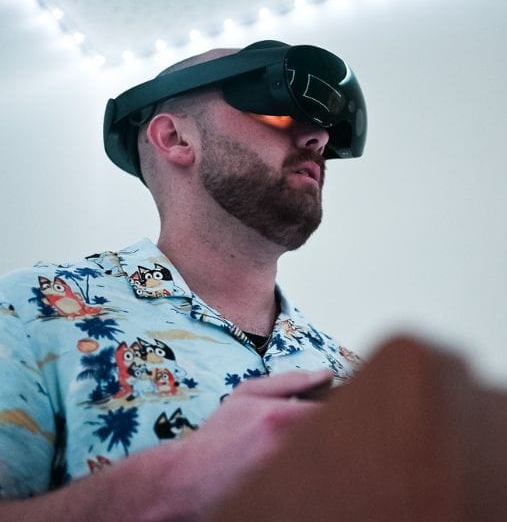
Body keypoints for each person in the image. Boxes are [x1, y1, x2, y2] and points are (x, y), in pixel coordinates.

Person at [0, 41, 366, 518]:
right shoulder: (33, 310)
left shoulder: (353, 380)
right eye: (277, 112)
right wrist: (168, 485)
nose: (318, 138)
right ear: (174, 138)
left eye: (326, 131)